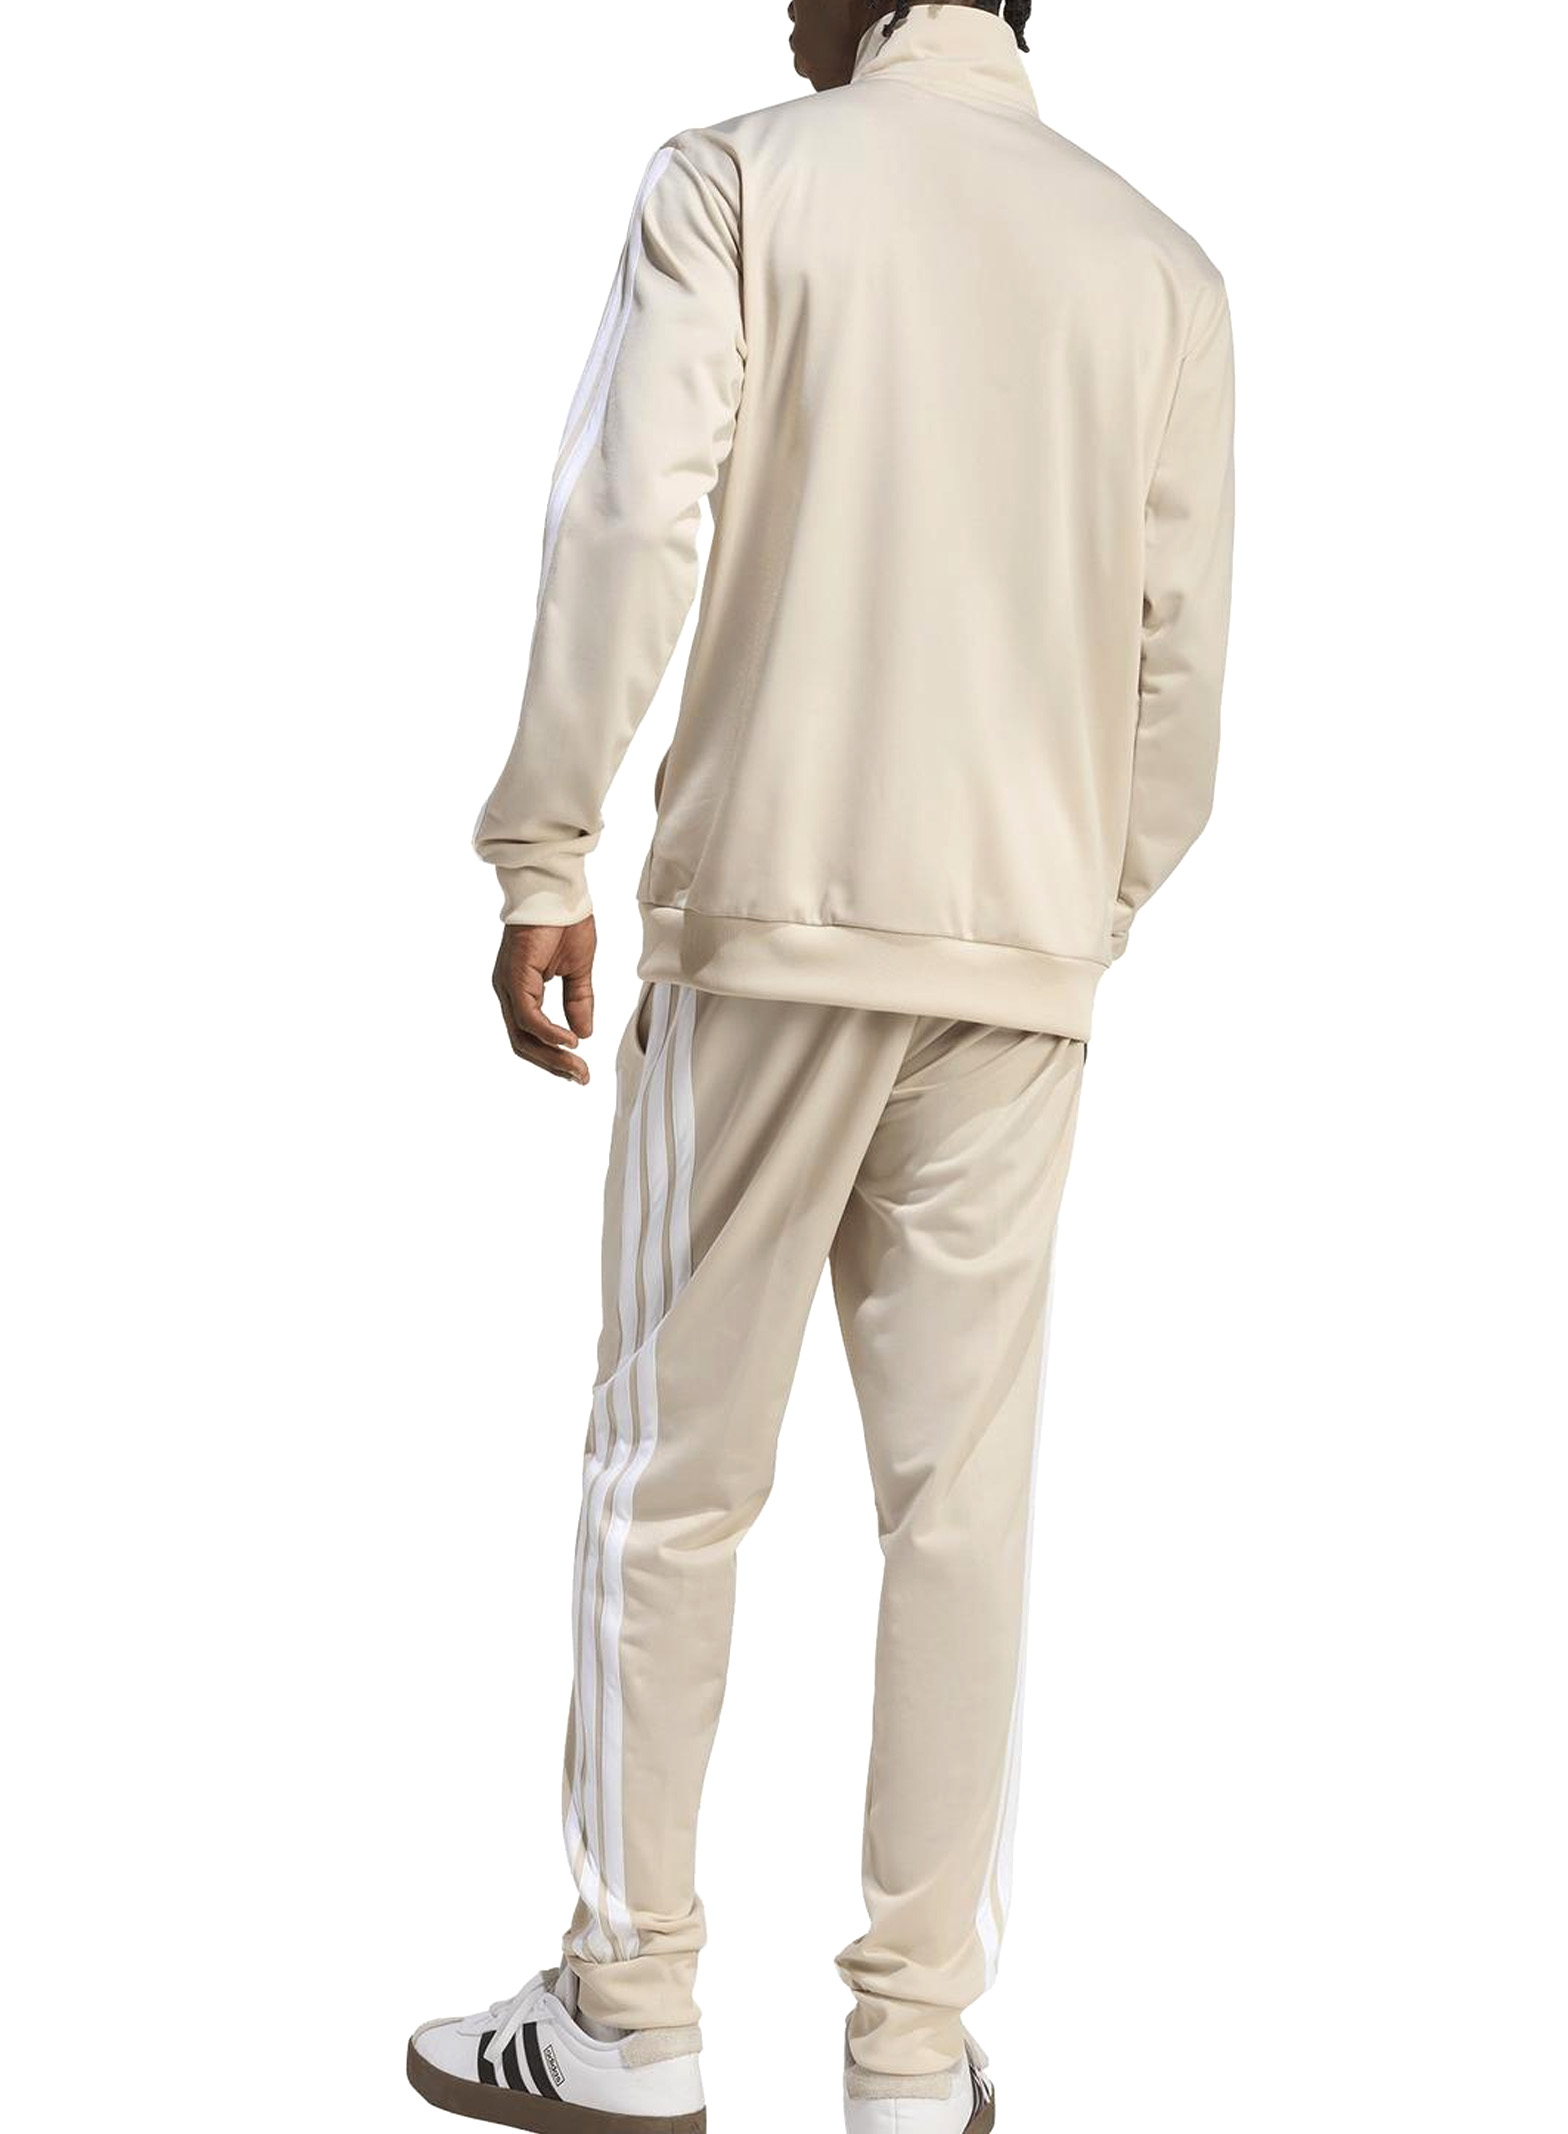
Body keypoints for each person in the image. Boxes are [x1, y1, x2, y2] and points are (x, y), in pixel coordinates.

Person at [406, 3, 1233, 2129]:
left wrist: (543, 845)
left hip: (772, 919)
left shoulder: (736, 181)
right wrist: (1075, 903)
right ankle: (909, 2053)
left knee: (669, 1470)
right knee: (960, 1509)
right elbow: (1178, 671)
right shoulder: (1157, 266)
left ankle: (629, 2006)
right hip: (1019, 960)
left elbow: (627, 520)